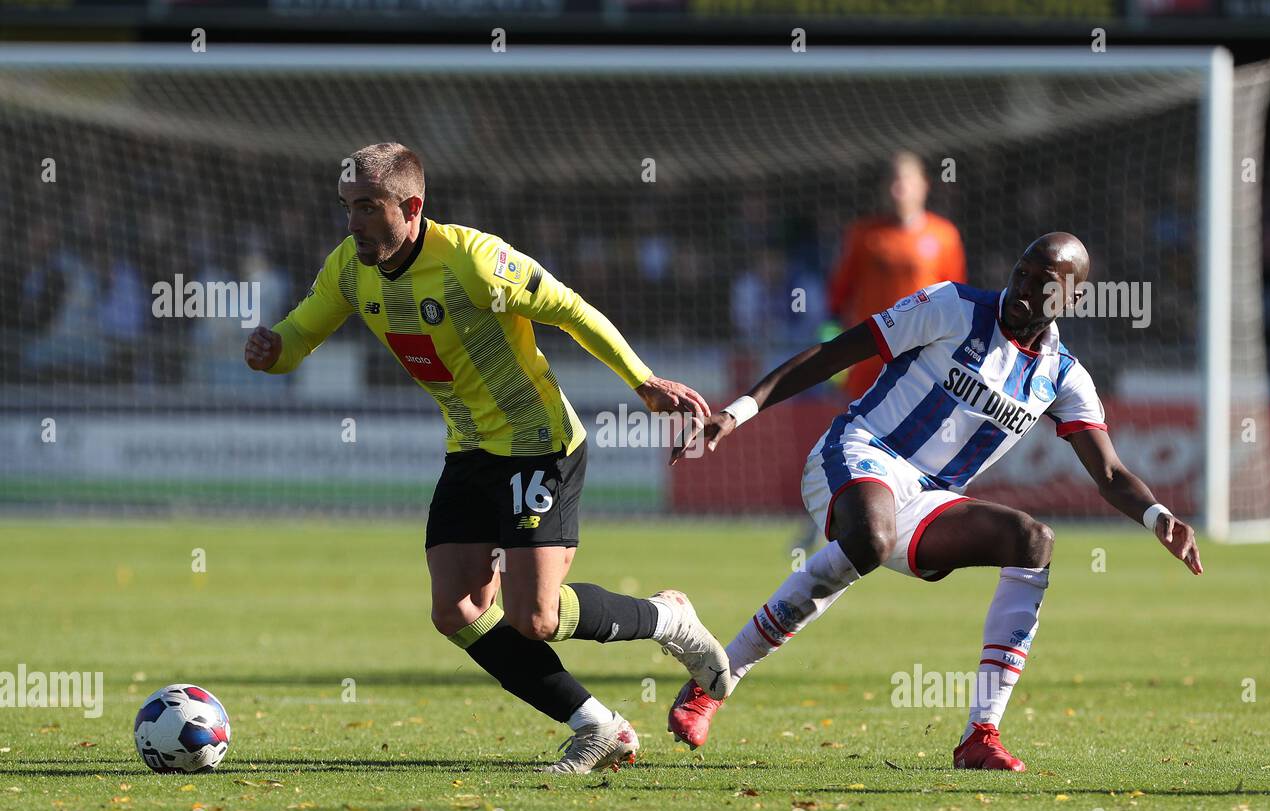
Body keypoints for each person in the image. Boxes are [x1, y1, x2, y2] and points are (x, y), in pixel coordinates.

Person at [245, 142, 731, 774]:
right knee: (457, 608)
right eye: (347, 207)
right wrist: (270, 348)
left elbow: (571, 310)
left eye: (367, 208)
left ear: (411, 206)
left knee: (536, 617)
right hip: (470, 449)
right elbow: (299, 337)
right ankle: (598, 727)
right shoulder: (349, 268)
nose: (353, 223)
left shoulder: (475, 262)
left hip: (538, 443)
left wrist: (642, 381)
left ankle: (669, 619)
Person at [669, 232, 1202, 771]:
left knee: (1032, 540)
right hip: (858, 452)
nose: (1022, 289)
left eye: (1043, 284)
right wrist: (738, 411)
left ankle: (980, 736)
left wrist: (1158, 516)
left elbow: (1110, 473)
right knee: (871, 538)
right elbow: (837, 351)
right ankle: (715, 681)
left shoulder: (1063, 377)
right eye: (1021, 271)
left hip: (928, 497)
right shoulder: (953, 306)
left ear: (1072, 301)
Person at [827, 151, 966, 400]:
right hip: (870, 355)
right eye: (893, 180)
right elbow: (838, 296)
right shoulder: (863, 234)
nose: (899, 187)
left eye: (905, 179)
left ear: (924, 185)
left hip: (923, 356)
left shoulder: (945, 235)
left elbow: (957, 298)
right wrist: (835, 351)